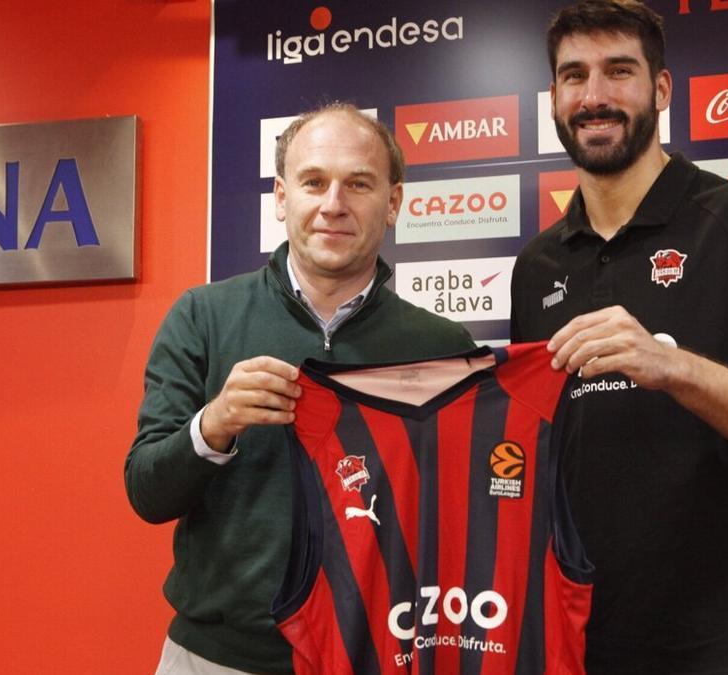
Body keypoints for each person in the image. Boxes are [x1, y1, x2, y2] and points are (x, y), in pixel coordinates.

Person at [509, 1, 728, 673]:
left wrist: (670, 366)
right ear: (553, 98)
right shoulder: (537, 264)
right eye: (574, 76)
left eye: (618, 71)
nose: (594, 96)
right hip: (584, 638)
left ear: (660, 89)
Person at [125, 103, 476, 675]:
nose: (333, 205)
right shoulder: (203, 317)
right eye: (314, 182)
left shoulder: (442, 344)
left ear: (393, 203)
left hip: (384, 655)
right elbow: (146, 492)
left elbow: (467, 516)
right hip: (216, 659)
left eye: (358, 184)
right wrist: (212, 425)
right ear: (283, 197)